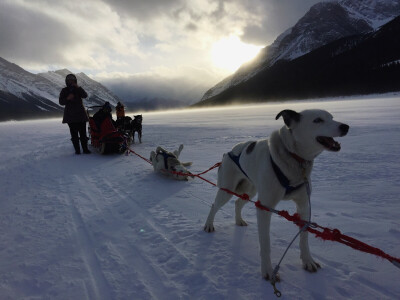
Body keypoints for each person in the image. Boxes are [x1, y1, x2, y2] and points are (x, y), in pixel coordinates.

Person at [59, 74, 91, 154]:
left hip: (81, 115)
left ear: (75, 81)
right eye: (69, 80)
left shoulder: (78, 89)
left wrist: (78, 87)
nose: (71, 82)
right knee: (74, 135)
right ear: (66, 81)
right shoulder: (64, 90)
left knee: (83, 134)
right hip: (70, 116)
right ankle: (77, 151)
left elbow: (85, 95)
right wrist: (67, 98)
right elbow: (61, 102)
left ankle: (85, 149)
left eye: (72, 80)